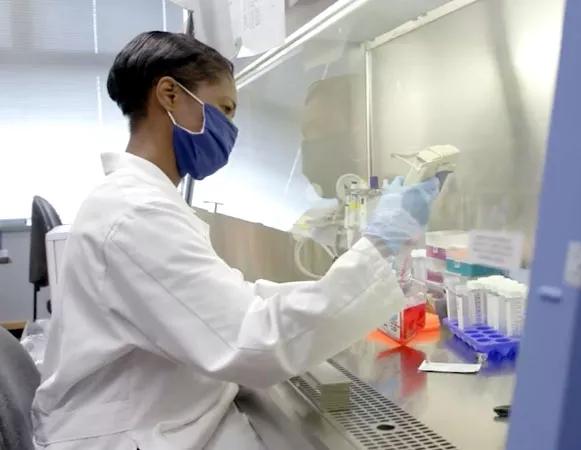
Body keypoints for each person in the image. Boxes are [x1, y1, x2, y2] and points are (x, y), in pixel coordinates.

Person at [31, 31, 438, 450]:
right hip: (131, 435)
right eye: (224, 110)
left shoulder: (142, 201)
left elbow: (238, 301)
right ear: (169, 94)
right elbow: (253, 342)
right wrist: (380, 245)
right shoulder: (136, 213)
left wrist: (341, 286)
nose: (230, 130)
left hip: (153, 418)